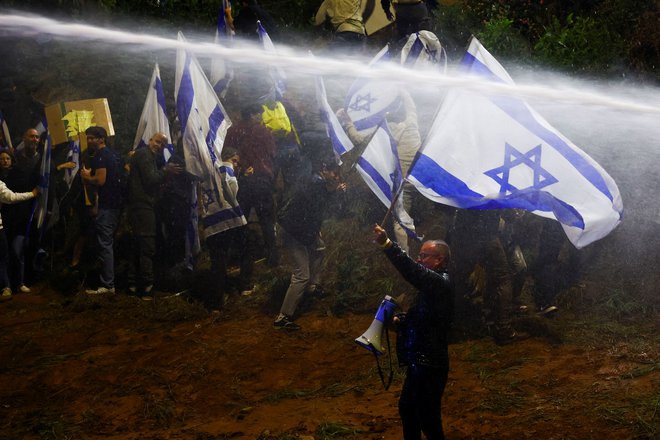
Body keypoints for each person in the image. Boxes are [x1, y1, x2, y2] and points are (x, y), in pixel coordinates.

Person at [372, 223, 452, 440]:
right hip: (421, 362)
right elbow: (425, 319)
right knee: (409, 411)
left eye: (425, 256)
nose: (420, 259)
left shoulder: (440, 283)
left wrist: (388, 245)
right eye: (419, 255)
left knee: (427, 417)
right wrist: (399, 321)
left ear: (439, 260)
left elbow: (413, 271)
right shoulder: (433, 287)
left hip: (430, 364)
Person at [273, 161, 347, 330]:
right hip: (292, 232)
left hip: (299, 228)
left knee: (319, 249)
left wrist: (334, 192)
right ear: (324, 170)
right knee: (301, 274)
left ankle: (312, 287)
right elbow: (320, 207)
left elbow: (316, 207)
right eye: (334, 173)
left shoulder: (315, 182)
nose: (336, 177)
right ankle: (283, 317)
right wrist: (337, 193)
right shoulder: (316, 184)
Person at [126, 132, 181, 297]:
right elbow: (150, 179)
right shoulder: (144, 155)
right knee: (147, 246)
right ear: (150, 140)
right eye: (157, 142)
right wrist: (166, 170)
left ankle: (133, 285)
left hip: (138, 206)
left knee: (137, 246)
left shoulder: (146, 156)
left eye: (162, 144)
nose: (159, 146)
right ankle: (147, 287)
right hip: (142, 206)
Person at [225, 104, 278, 266]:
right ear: (253, 114)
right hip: (262, 179)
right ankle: (272, 257)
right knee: (267, 220)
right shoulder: (263, 131)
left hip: (242, 180)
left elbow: (226, 152)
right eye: (260, 114)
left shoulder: (233, 131)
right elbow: (273, 153)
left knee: (241, 220)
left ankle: (238, 256)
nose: (262, 117)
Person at [204, 147, 252, 304]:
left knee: (217, 260)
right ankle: (244, 286)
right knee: (245, 249)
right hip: (229, 219)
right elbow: (230, 192)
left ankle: (216, 299)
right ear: (234, 159)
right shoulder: (227, 170)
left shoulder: (207, 171)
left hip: (211, 221)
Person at [80, 126, 122, 295]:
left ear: (101, 139)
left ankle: (108, 285)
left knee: (105, 244)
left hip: (108, 206)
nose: (89, 141)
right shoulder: (112, 154)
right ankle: (108, 282)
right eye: (88, 138)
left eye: (92, 138)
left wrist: (86, 177)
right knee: (106, 243)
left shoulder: (101, 156)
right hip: (115, 204)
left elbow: (100, 180)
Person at [0, 176, 38, 300]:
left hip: (13, 224)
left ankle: (9, 285)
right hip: (4, 226)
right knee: (3, 258)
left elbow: (10, 197)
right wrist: (31, 194)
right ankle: (7, 286)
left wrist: (31, 194)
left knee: (10, 256)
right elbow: (11, 197)